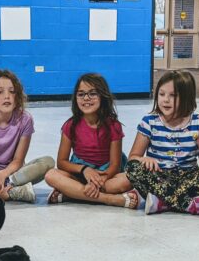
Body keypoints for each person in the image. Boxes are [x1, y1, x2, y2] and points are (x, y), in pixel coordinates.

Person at [124, 71, 199, 217]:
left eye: (173, 95)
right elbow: (133, 157)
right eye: (161, 94)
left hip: (189, 179)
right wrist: (143, 159)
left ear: (186, 97)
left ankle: (163, 203)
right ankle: (191, 204)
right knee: (133, 168)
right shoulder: (149, 122)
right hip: (160, 178)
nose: (165, 100)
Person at [44, 73, 138, 208]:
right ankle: (108, 199)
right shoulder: (70, 125)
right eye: (81, 94)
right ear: (75, 97)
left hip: (105, 176)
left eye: (92, 93)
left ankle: (71, 193)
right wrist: (85, 170)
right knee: (51, 175)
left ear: (102, 96)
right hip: (79, 174)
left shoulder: (113, 126)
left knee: (128, 180)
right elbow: (62, 163)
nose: (86, 98)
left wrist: (97, 181)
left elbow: (115, 166)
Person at [0, 69, 54, 204]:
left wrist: (3, 175)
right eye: (0, 91)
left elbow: (18, 161)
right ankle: (13, 192)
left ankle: (2, 189)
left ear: (17, 96)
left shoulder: (25, 119)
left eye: (12, 91)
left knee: (48, 162)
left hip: (13, 174)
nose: (7, 96)